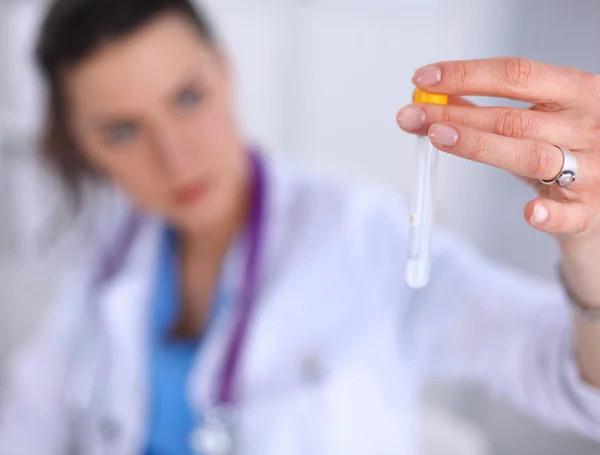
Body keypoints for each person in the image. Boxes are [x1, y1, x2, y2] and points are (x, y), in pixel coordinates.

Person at [1, 0, 600, 454]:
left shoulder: (366, 236)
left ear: (226, 73)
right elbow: (25, 424)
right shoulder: (110, 255)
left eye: (188, 97)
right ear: (83, 144)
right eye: (122, 132)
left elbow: (573, 387)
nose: (176, 158)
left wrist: (591, 253)